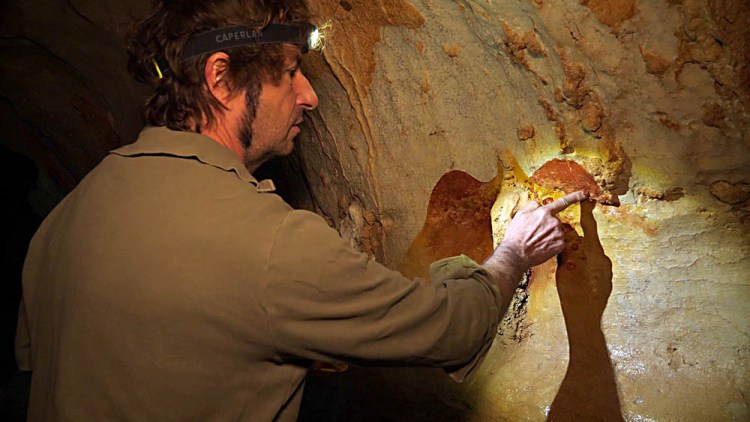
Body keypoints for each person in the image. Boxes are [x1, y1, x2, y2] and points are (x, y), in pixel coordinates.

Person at [14, 0, 587, 420]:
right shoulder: (269, 243)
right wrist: (511, 254)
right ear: (221, 78)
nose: (309, 95)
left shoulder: (67, 218)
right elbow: (448, 330)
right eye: (290, 72)